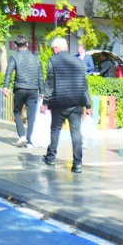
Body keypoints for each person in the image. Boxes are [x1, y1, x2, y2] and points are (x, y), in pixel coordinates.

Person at [40, 37, 92, 173]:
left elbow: (50, 84)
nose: (53, 51)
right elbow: (85, 85)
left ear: (56, 49)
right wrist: (89, 105)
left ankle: (51, 158)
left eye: (53, 49)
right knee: (76, 132)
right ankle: (78, 164)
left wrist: (45, 103)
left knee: (55, 130)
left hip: (60, 102)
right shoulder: (79, 61)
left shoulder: (53, 61)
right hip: (78, 102)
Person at [3, 35, 42, 148]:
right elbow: (40, 75)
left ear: (16, 45)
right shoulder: (35, 58)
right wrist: (42, 91)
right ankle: (29, 141)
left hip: (20, 88)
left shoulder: (14, 57)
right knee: (31, 116)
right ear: (27, 44)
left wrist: (6, 86)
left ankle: (22, 136)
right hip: (33, 89)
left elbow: (9, 72)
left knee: (17, 112)